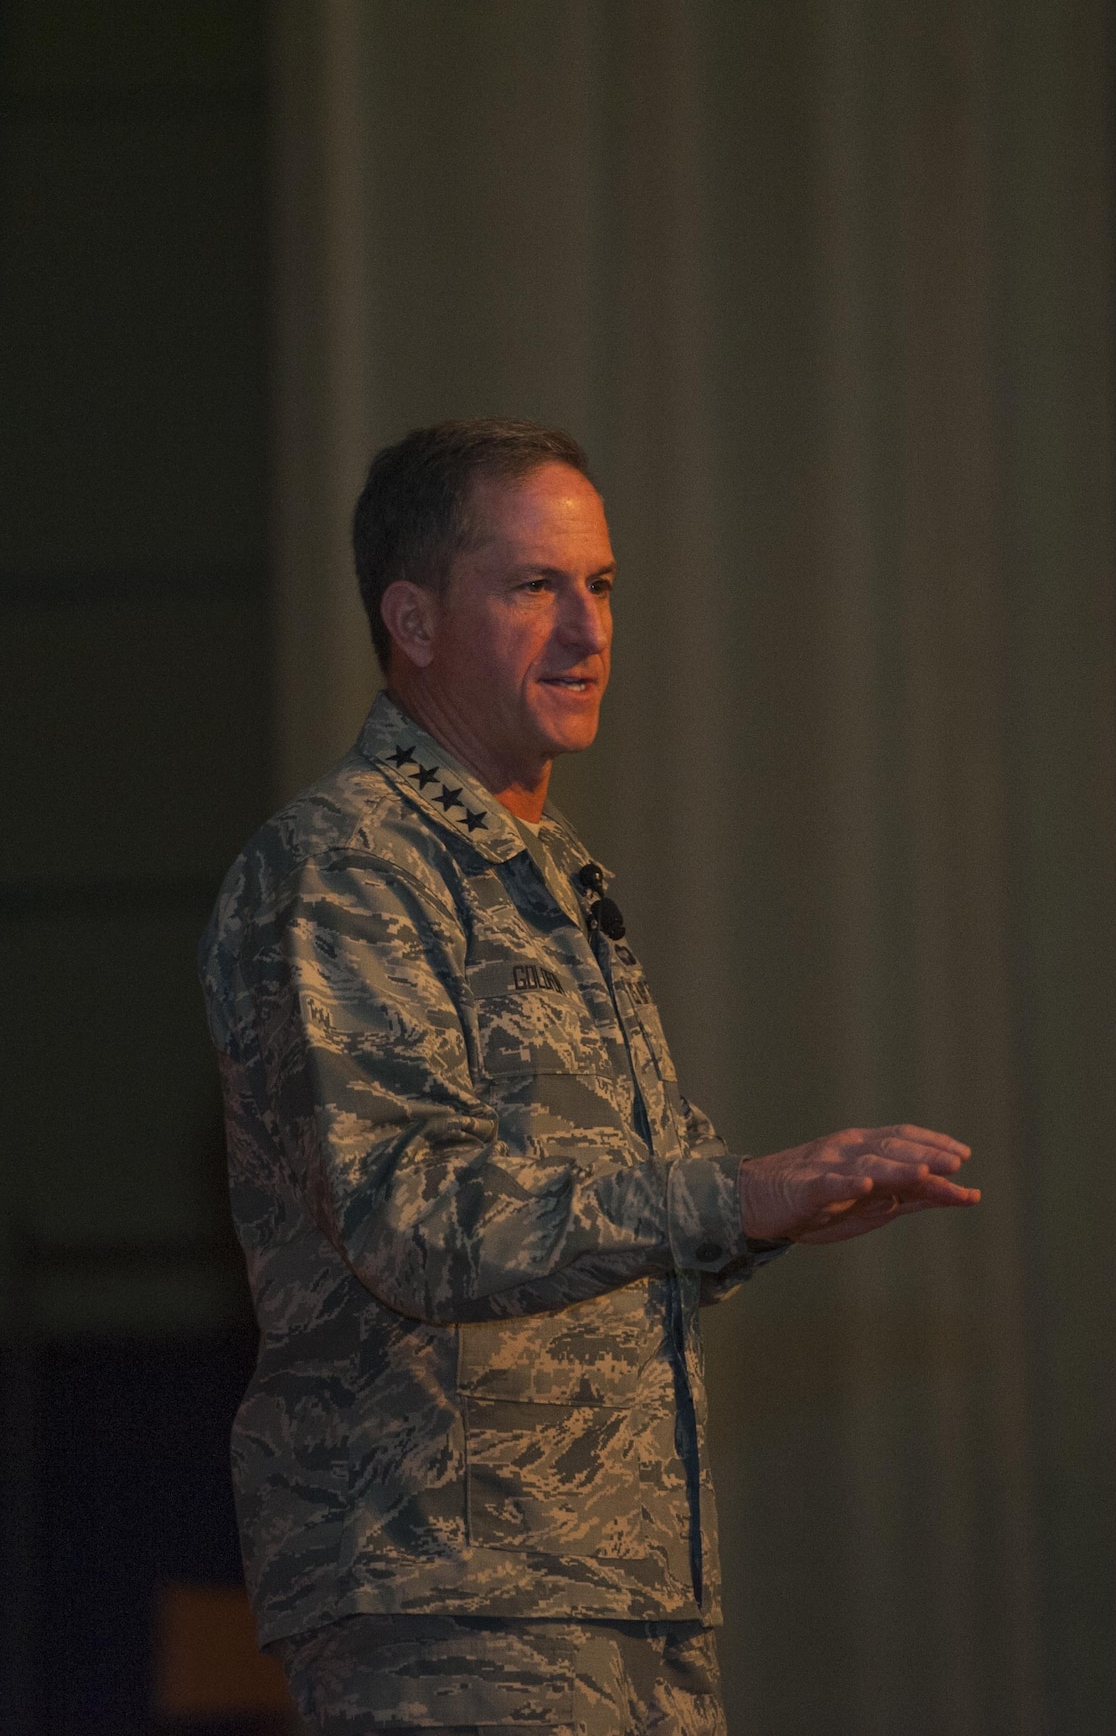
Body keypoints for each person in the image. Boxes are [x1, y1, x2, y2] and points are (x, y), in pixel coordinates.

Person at [199, 419, 979, 1735]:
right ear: (415, 618)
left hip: (615, 1594)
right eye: (533, 587)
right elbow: (406, 1213)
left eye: (602, 586)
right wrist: (732, 1195)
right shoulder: (346, 867)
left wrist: (768, 1214)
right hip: (450, 1599)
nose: (586, 629)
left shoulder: (553, 874)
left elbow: (639, 1212)